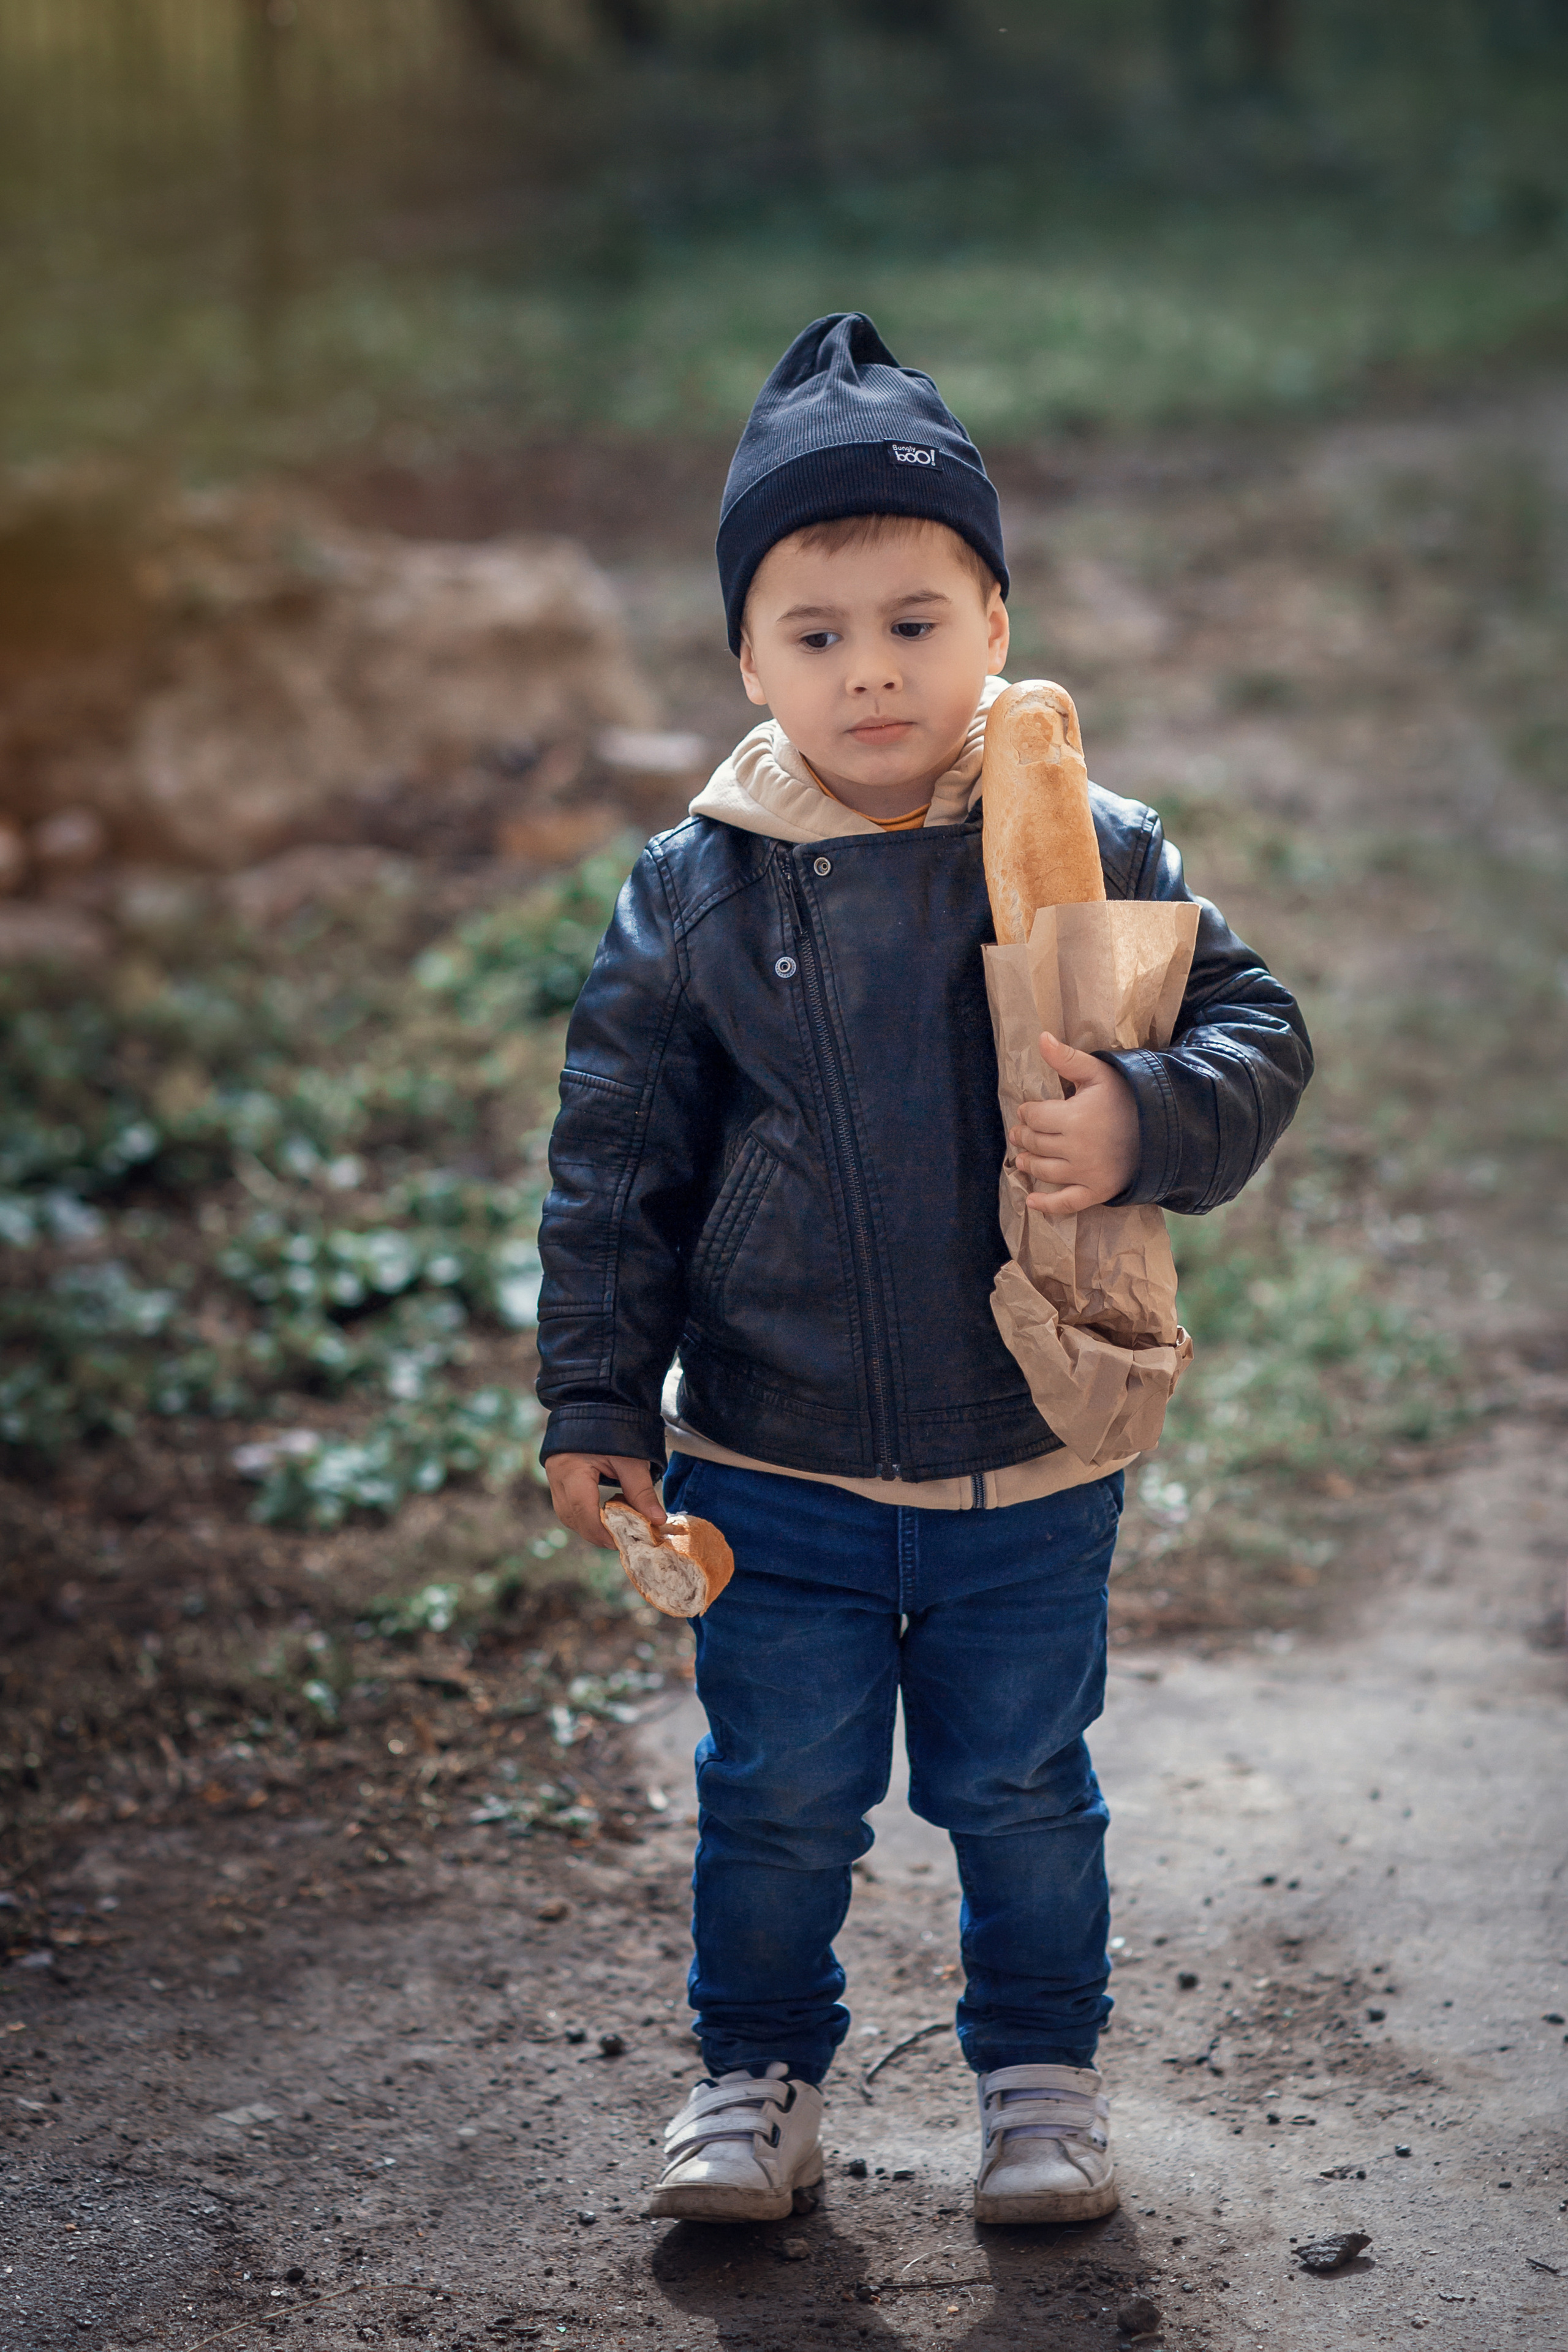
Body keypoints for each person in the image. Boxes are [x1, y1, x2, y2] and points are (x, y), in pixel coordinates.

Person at [535, 314, 1312, 2225]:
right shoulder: (696, 888)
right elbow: (617, 1164)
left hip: (1029, 1453)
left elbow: (1259, 1027)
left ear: (994, 627)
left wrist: (1145, 1113)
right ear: (745, 657)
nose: (868, 671)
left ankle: (1039, 2075)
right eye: (814, 634)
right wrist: (593, 1398)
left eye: (913, 621)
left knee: (1023, 1792)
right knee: (778, 1796)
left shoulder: (1089, 841)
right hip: (777, 1459)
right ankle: (758, 2076)